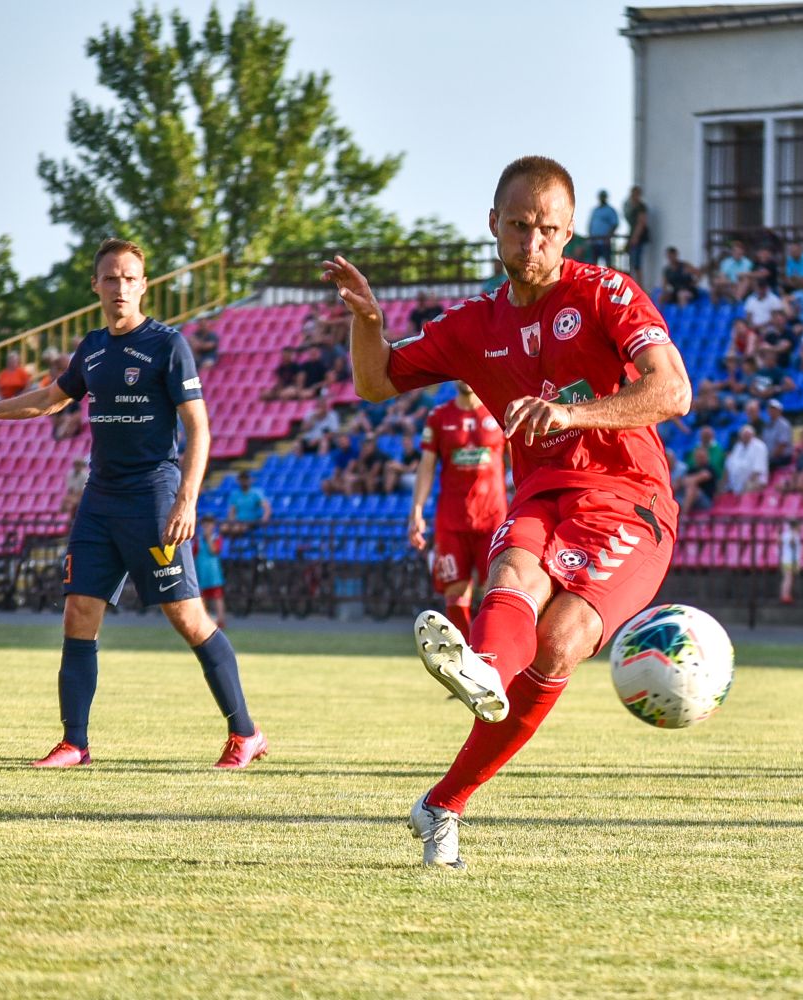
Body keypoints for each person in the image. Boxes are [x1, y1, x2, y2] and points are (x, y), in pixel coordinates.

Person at [324, 155, 690, 869]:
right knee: (514, 573)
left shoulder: (607, 292)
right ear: (493, 224)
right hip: (541, 493)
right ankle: (481, 679)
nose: (533, 243)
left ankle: (446, 797)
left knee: (560, 641)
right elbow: (375, 381)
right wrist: (368, 320)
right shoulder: (474, 323)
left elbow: (673, 392)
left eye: (549, 230)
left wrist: (572, 412)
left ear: (570, 231)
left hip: (630, 501)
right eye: (520, 226)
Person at [0, 237, 266, 770]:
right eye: (111, 278)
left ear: (144, 286)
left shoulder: (168, 345)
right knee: (78, 612)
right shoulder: (92, 347)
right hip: (99, 500)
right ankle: (75, 743)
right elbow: (49, 400)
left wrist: (187, 499)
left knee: (187, 617)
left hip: (153, 499)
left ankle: (245, 732)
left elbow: (199, 428)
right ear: (96, 286)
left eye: (130, 278)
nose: (120, 287)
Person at [409, 381, 509, 638]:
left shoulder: (499, 411)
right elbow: (426, 467)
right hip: (452, 518)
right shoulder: (439, 416)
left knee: (496, 589)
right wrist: (417, 511)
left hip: (493, 519)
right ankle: (463, 651)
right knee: (455, 591)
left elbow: (519, 460)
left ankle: (491, 648)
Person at [194, 515, 226, 629]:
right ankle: (204, 620)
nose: (207, 526)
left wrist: (208, 538)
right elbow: (194, 553)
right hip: (202, 571)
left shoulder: (216, 538)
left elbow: (214, 550)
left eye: (209, 523)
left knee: (217, 596)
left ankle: (221, 620)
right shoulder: (198, 539)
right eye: (205, 524)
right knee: (203, 597)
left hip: (213, 573)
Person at [723, 424, 768, 494]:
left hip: (754, 481)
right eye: (744, 435)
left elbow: (758, 470)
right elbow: (730, 465)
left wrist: (746, 485)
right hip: (736, 484)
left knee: (749, 486)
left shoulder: (759, 446)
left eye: (748, 435)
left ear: (753, 435)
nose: (746, 437)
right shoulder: (738, 446)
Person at [225, 469, 270, 534]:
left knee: (236, 529)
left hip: (252, 521)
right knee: (224, 528)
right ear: (238, 481)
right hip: (239, 521)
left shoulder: (256, 493)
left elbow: (266, 508)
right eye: (242, 479)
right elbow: (232, 511)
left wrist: (264, 519)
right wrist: (232, 521)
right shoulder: (235, 494)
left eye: (246, 479)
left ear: (250, 480)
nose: (244, 481)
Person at [623, 185, 650, 284]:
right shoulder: (631, 207)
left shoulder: (641, 206)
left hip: (638, 237)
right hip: (632, 235)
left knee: (637, 264)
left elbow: (641, 222)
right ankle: (632, 283)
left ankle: (639, 285)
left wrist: (635, 237)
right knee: (631, 263)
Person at [586, 189, 620, 268]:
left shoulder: (610, 210)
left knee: (608, 265)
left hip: (605, 242)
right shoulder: (595, 210)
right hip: (594, 242)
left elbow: (615, 224)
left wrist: (608, 236)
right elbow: (590, 224)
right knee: (592, 265)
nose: (602, 198)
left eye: (603, 196)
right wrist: (590, 236)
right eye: (601, 196)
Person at [778, 519, 800, 605]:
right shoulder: (790, 534)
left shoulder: (789, 534)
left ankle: (788, 594)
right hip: (788, 560)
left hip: (792, 560)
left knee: (790, 578)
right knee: (788, 578)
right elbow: (791, 543)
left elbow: (780, 541)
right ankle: (784, 595)